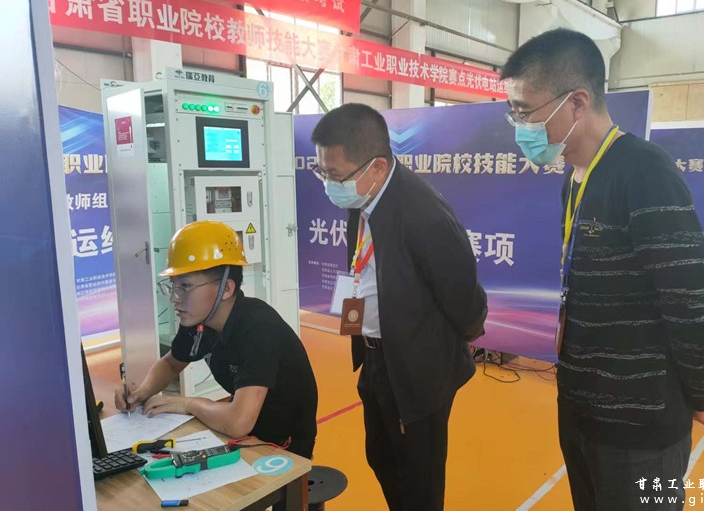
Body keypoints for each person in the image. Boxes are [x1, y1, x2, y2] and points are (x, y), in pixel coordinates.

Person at [500, 29, 704, 511]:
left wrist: (701, 391)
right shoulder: (574, 178)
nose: (518, 125)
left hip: (641, 427)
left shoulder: (645, 172)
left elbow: (688, 301)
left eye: (525, 111)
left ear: (577, 102)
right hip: (581, 410)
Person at [310, 103, 488, 511]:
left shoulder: (424, 215)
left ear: (376, 167)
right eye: (322, 172)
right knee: (381, 456)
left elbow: (464, 298)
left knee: (419, 477)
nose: (329, 184)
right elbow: (362, 270)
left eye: (335, 175)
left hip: (418, 368)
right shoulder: (364, 198)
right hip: (376, 357)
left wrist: (438, 347)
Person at [114, 220, 318, 464]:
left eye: (185, 287)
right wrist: (142, 392)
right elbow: (171, 363)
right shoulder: (199, 321)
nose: (175, 299)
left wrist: (189, 404)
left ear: (227, 289)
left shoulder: (259, 328)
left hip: (282, 442)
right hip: (243, 431)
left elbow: (238, 422)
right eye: (173, 286)